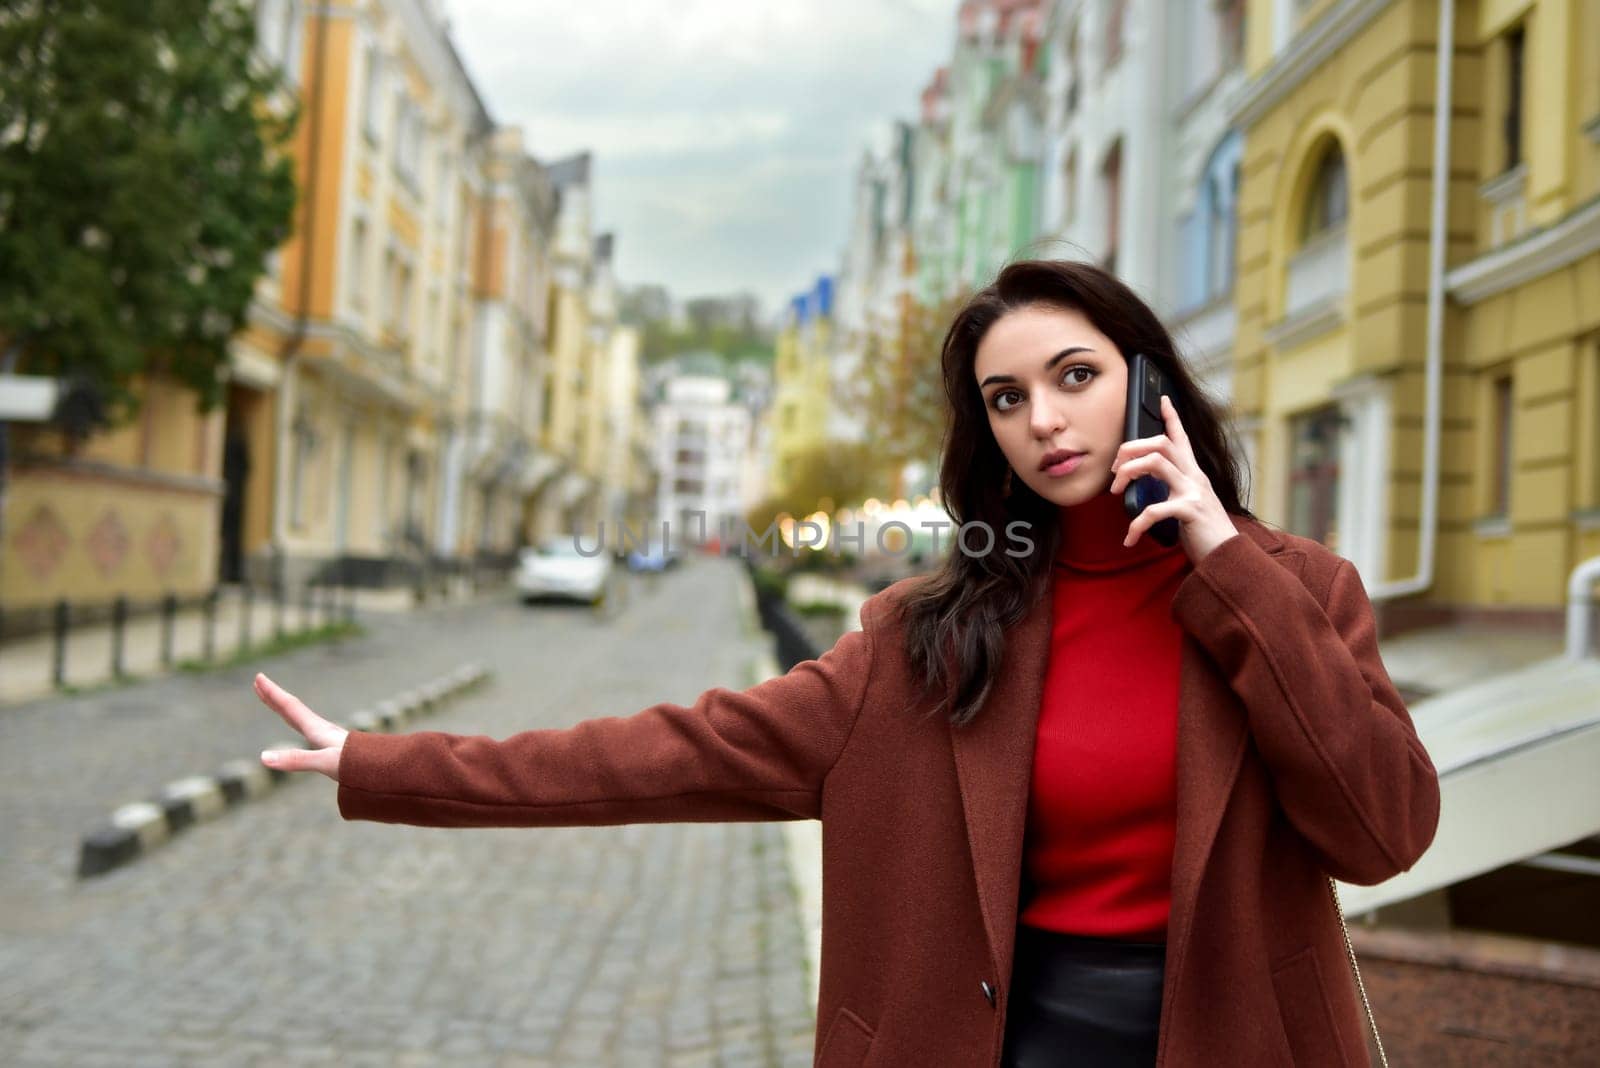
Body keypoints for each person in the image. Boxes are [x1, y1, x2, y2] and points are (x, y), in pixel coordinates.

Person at [256, 260, 1440, 1067]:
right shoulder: (927, 635)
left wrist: (1224, 564)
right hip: (985, 1040)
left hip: (1232, 1038)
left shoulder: (1298, 592)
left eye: (1074, 375)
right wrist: (378, 762)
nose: (1043, 419)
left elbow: (1381, 832)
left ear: (1148, 378)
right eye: (1006, 398)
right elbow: (665, 756)